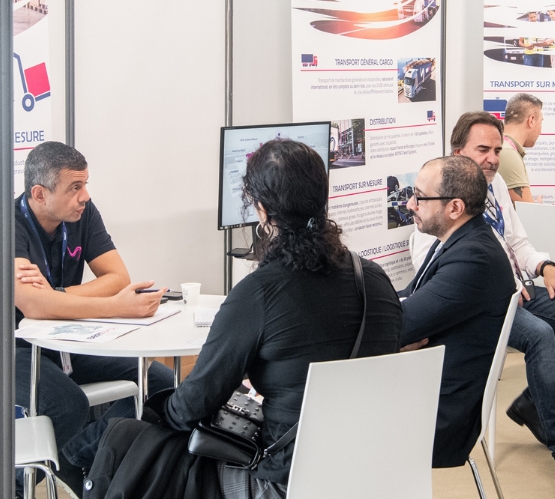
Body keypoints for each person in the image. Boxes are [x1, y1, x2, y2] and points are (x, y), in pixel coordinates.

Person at [86, 139, 403, 498]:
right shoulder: (375, 279)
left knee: (134, 444)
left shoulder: (259, 293)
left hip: (285, 483)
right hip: (375, 473)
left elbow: (193, 405)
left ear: (262, 210)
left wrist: (158, 413)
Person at [15, 141, 174, 497]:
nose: (85, 195)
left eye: (85, 184)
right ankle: (15, 484)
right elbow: (31, 306)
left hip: (70, 335)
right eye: (75, 187)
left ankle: (74, 456)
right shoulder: (10, 225)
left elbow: (117, 278)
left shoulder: (82, 214)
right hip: (16, 345)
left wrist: (54, 297)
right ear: (40, 194)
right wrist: (116, 306)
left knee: (161, 384)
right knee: (69, 405)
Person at [411, 112, 555, 462]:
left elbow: (518, 243)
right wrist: (498, 284)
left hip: (518, 289)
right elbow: (439, 279)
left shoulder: (497, 187)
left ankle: (534, 402)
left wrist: (544, 265)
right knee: (541, 337)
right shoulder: (437, 206)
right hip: (488, 302)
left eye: (496, 150)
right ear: (458, 153)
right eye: (482, 150)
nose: (492, 158)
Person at [399, 155, 515, 468]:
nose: (411, 204)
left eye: (421, 197)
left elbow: (401, 324)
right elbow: (409, 298)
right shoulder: (459, 240)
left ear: (454, 208)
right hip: (425, 386)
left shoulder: (475, 258)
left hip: (441, 416)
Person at [498, 93, 543, 204]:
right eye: (541, 121)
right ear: (531, 120)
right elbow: (528, 213)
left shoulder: (503, 147)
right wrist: (542, 209)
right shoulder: (507, 152)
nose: (541, 130)